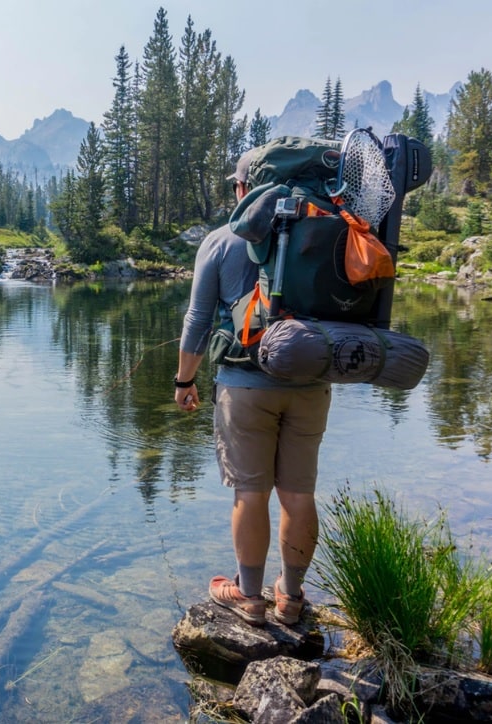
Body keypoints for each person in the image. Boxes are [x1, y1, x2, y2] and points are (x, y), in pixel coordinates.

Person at [173, 150, 332, 626]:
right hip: (311, 382)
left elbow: (199, 319)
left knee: (250, 492)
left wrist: (185, 379)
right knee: (299, 494)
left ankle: (249, 598)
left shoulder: (221, 240)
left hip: (245, 385)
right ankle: (291, 596)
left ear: (244, 189)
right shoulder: (321, 235)